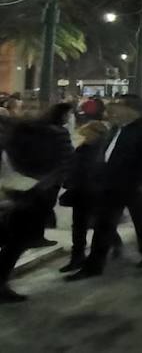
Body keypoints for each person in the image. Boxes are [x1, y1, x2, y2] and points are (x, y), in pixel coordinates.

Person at [66, 95, 142, 280]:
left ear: (131, 109)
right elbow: (106, 153)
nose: (113, 109)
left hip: (135, 186)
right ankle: (94, 265)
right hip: (111, 185)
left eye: (118, 105)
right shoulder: (117, 128)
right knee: (103, 225)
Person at [0, 113, 72, 302]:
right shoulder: (22, 136)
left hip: (21, 194)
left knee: (15, 240)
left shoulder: (20, 138)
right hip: (21, 195)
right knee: (15, 241)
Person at [58, 121, 113, 274]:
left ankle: (108, 248)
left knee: (98, 224)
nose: (84, 136)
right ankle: (77, 258)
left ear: (97, 133)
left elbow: (97, 170)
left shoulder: (102, 149)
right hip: (80, 191)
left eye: (87, 133)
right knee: (79, 227)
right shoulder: (85, 147)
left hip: (93, 192)